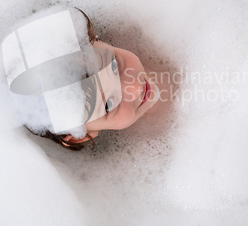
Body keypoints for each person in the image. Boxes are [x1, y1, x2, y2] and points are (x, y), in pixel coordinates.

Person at [27, 8, 167, 151]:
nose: (136, 88)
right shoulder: (153, 150)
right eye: (109, 104)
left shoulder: (147, 26)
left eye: (114, 66)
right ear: (81, 136)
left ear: (95, 40)